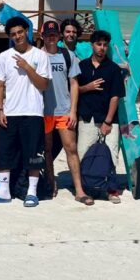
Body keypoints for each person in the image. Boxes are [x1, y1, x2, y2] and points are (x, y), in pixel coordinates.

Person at [0, 16, 51, 208]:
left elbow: (44, 85)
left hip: (33, 112)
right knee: (4, 151)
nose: (18, 36)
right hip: (10, 112)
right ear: (10, 37)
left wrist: (27, 67)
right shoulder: (4, 56)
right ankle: (3, 192)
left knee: (33, 154)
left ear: (26, 32)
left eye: (20, 32)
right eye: (13, 34)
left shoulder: (40, 56)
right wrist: (0, 110)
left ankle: (31, 192)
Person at [40, 21, 89, 205]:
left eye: (54, 34)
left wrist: (73, 111)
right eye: (48, 34)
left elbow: (74, 84)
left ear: (58, 36)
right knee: (47, 150)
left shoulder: (67, 55)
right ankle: (51, 183)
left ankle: (79, 190)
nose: (51, 37)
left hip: (63, 110)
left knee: (71, 148)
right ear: (42, 36)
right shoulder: (36, 56)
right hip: (43, 112)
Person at [75, 30, 126, 204]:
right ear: (92, 45)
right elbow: (73, 91)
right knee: (83, 154)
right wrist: (87, 87)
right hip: (86, 118)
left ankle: (111, 190)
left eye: (105, 45)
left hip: (108, 120)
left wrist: (108, 121)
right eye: (99, 44)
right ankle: (86, 189)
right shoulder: (82, 66)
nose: (102, 48)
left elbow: (115, 96)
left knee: (111, 155)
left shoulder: (113, 69)